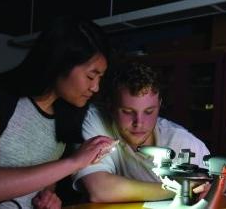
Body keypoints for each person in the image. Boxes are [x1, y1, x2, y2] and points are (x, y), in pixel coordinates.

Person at [0, 16, 115, 209]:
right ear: (60, 63)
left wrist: (48, 195)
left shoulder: (67, 111)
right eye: (90, 76)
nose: (95, 87)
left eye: (100, 78)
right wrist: (74, 162)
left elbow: (45, 176)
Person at [71, 62, 211, 203]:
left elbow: (217, 183)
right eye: (127, 112)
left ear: (159, 105)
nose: (139, 122)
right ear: (110, 106)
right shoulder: (96, 119)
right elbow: (100, 191)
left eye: (149, 112)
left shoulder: (182, 142)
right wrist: (180, 188)